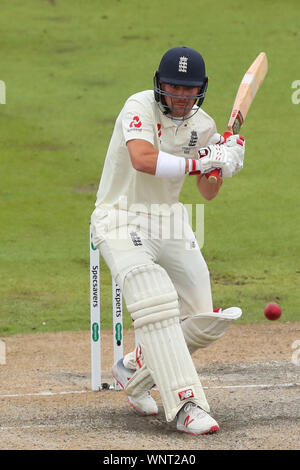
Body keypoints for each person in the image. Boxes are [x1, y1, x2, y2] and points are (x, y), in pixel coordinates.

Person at [91, 46, 244, 435]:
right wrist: (202, 160)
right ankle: (186, 405)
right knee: (153, 296)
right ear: (159, 84)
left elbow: (207, 192)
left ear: (200, 91)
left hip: (171, 220)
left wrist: (223, 162)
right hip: (121, 216)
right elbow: (143, 159)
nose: (179, 96)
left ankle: (133, 371)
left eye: (188, 90)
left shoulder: (204, 124)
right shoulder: (138, 106)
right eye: (173, 87)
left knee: (204, 319)